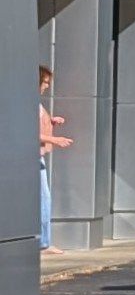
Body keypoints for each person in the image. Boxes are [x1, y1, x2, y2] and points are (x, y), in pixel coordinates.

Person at [38, 65, 72, 255]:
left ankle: (42, 241)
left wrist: (51, 121)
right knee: (43, 199)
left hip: (37, 156)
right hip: (33, 159)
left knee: (43, 199)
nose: (46, 86)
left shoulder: (34, 103)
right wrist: (54, 139)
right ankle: (42, 243)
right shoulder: (28, 103)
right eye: (45, 82)